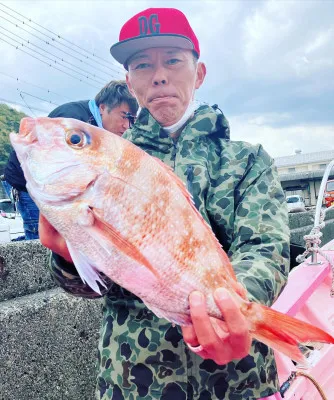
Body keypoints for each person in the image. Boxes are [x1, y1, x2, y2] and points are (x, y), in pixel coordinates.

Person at [39, 8, 290, 400]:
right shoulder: (104, 160)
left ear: (199, 73)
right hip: (132, 378)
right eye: (142, 64)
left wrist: (231, 311)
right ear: (129, 81)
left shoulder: (247, 160)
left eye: (172, 60)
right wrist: (68, 257)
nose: (158, 75)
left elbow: (266, 249)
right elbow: (91, 286)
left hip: (238, 381)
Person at [3, 80, 138, 240]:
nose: (127, 125)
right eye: (124, 116)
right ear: (102, 107)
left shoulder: (98, 128)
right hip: (24, 182)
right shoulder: (73, 118)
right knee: (38, 237)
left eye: (132, 120)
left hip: (52, 186)